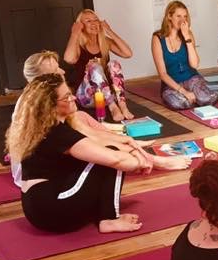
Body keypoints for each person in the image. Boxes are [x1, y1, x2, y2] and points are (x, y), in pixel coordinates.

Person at [6, 74, 189, 234]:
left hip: (38, 208)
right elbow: (116, 160)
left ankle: (103, 215)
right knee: (112, 158)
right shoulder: (57, 133)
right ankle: (109, 219)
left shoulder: (45, 126)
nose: (73, 99)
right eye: (67, 97)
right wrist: (141, 162)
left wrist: (131, 145)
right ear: (50, 105)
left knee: (106, 154)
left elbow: (95, 141)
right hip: (53, 211)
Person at [9, 51, 150, 189]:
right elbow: (105, 151)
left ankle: (143, 154)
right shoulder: (51, 123)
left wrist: (125, 141)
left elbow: (90, 137)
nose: (63, 71)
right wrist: (137, 157)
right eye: (56, 70)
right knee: (108, 161)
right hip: (45, 184)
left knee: (83, 119)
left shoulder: (46, 103)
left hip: (39, 183)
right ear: (44, 80)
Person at [150, 0, 218, 111]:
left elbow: (194, 64)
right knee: (178, 104)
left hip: (191, 78)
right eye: (178, 16)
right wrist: (184, 92)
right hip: (172, 84)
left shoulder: (188, 35)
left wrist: (187, 37)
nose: (182, 20)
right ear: (169, 16)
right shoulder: (157, 38)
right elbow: (163, 74)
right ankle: (208, 96)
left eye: (185, 16)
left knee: (204, 99)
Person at [63, 9, 135, 122]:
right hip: (87, 97)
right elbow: (69, 59)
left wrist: (109, 30)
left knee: (114, 64)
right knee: (94, 66)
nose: (94, 23)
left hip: (106, 95)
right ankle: (113, 108)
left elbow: (128, 53)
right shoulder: (78, 43)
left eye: (96, 20)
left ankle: (122, 105)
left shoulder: (104, 41)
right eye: (88, 21)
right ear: (81, 25)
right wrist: (75, 33)